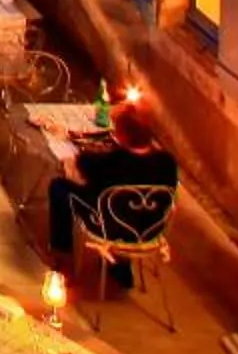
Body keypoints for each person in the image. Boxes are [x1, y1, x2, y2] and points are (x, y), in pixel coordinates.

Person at [46, 100, 180, 278]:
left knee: (59, 187)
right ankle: (121, 270)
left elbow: (83, 166)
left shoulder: (112, 162)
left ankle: (63, 258)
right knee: (125, 206)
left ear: (122, 134)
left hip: (109, 228)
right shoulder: (167, 162)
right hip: (148, 229)